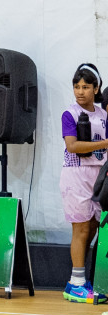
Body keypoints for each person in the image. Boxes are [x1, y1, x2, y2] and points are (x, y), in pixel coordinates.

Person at [61, 63, 108, 302]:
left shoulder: (104, 116)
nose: (80, 92)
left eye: (86, 87)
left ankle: (81, 278)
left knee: (92, 227)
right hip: (76, 174)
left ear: (96, 88)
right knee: (80, 228)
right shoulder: (69, 114)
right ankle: (76, 283)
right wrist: (105, 143)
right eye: (76, 86)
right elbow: (72, 146)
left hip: (98, 177)